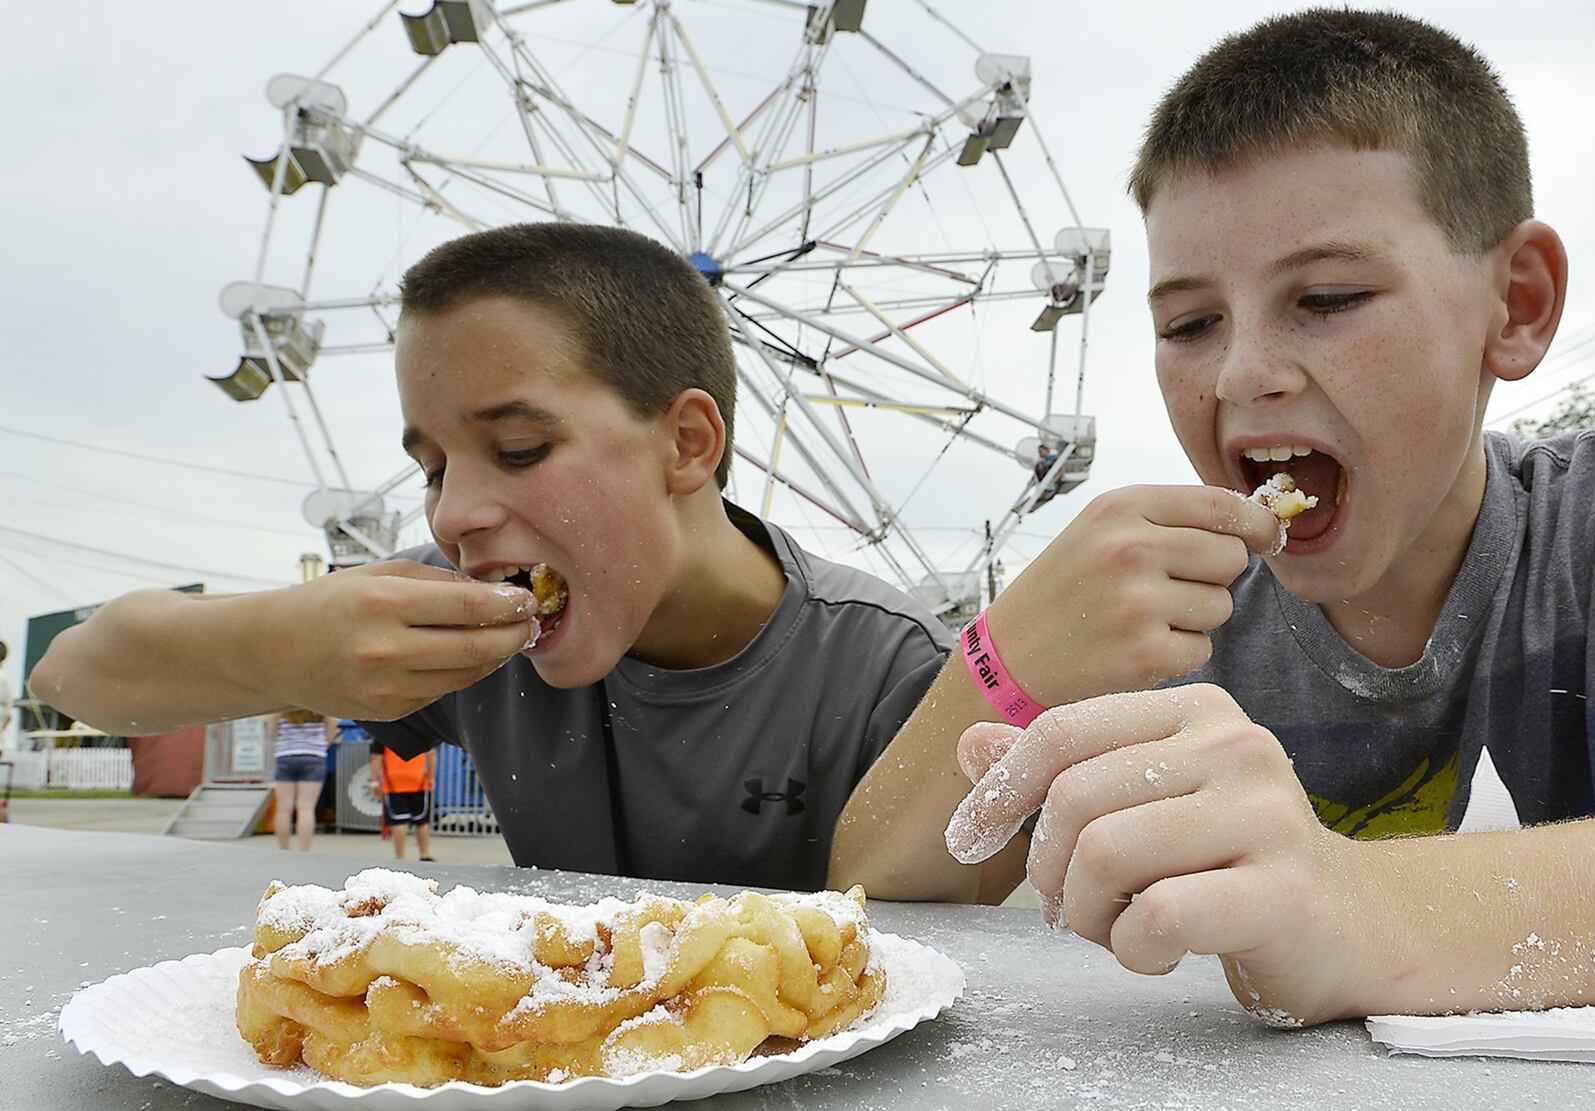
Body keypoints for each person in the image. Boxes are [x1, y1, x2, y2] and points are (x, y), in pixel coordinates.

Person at [831, 9, 1595, 1025]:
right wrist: (1003, 660)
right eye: (1189, 324)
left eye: (1326, 297)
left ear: (1516, 305)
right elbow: (879, 892)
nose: (1242, 375)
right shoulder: (1155, 621)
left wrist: (1346, 903)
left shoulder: (1576, 532)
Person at [31, 222, 950, 890]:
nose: (453, 516)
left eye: (518, 451)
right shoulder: (464, 629)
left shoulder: (892, 671)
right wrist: (287, 649)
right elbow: (74, 673)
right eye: (431, 470)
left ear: (688, 443)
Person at [270, 709, 335, 852]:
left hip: (285, 755)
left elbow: (274, 732)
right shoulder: (319, 704)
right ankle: (304, 851)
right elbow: (331, 733)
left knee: (283, 809)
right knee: (306, 808)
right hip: (313, 756)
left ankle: (283, 850)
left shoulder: (280, 706)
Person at [370, 743, 435, 861]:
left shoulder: (383, 733)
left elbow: (376, 758)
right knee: (422, 821)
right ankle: (424, 854)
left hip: (393, 781)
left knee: (398, 821)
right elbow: (431, 754)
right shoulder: (420, 731)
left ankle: (400, 856)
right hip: (418, 779)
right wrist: (430, 777)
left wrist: (373, 782)